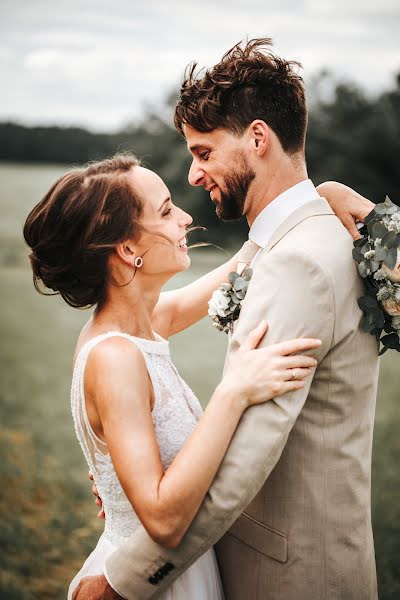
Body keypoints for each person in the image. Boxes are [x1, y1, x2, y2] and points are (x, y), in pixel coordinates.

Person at [80, 40, 379, 600]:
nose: (194, 175)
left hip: (290, 576)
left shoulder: (297, 263)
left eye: (203, 152)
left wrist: (123, 582)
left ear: (258, 139)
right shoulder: (301, 238)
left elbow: (246, 455)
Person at [23, 153, 327, 599]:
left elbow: (247, 260)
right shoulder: (114, 357)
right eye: (166, 211)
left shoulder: (144, 322)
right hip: (154, 581)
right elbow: (164, 520)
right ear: (127, 250)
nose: (185, 217)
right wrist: (234, 391)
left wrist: (323, 197)